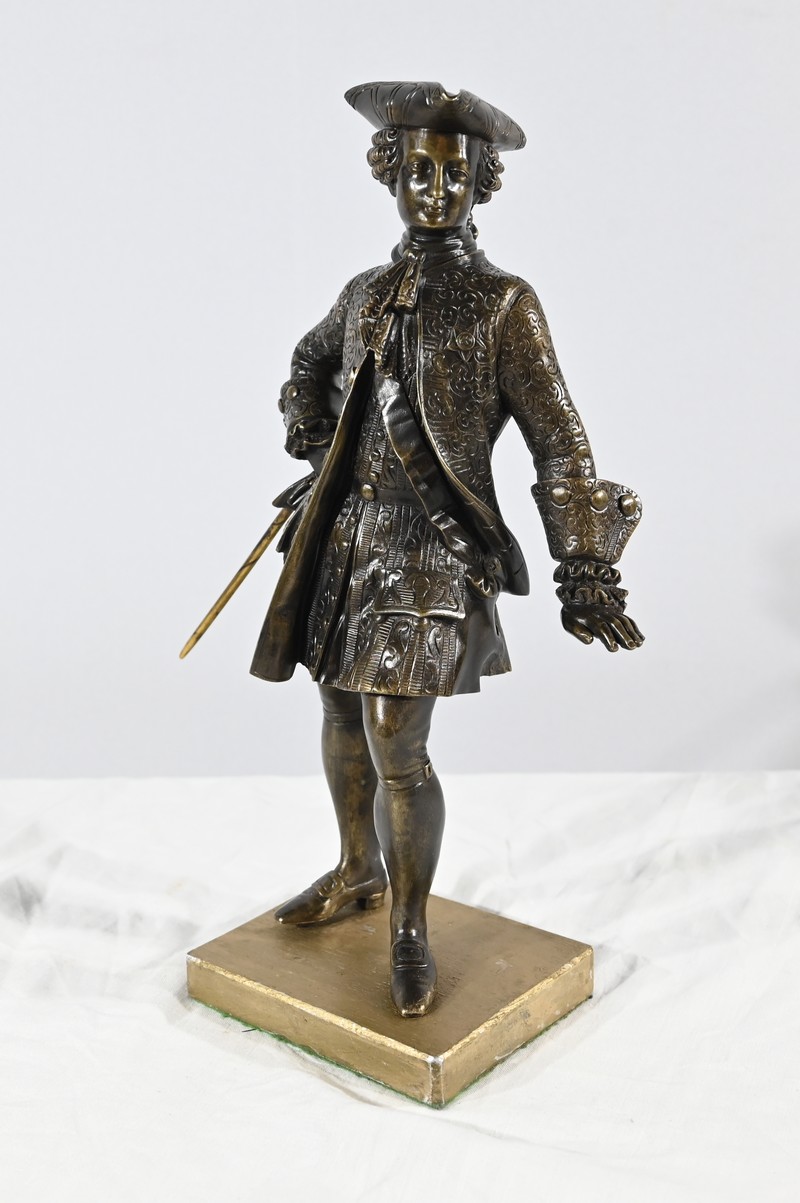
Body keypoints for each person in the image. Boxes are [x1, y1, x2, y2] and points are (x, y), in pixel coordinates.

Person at [250, 82, 644, 1017]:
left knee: (396, 735)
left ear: (480, 182)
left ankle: (409, 924)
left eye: (454, 175)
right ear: (389, 173)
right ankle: (358, 868)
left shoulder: (505, 303)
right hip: (347, 536)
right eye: (418, 172)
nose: (435, 191)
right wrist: (313, 432)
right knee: (339, 710)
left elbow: (559, 438)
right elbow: (308, 361)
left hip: (433, 544)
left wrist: (584, 567)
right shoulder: (363, 292)